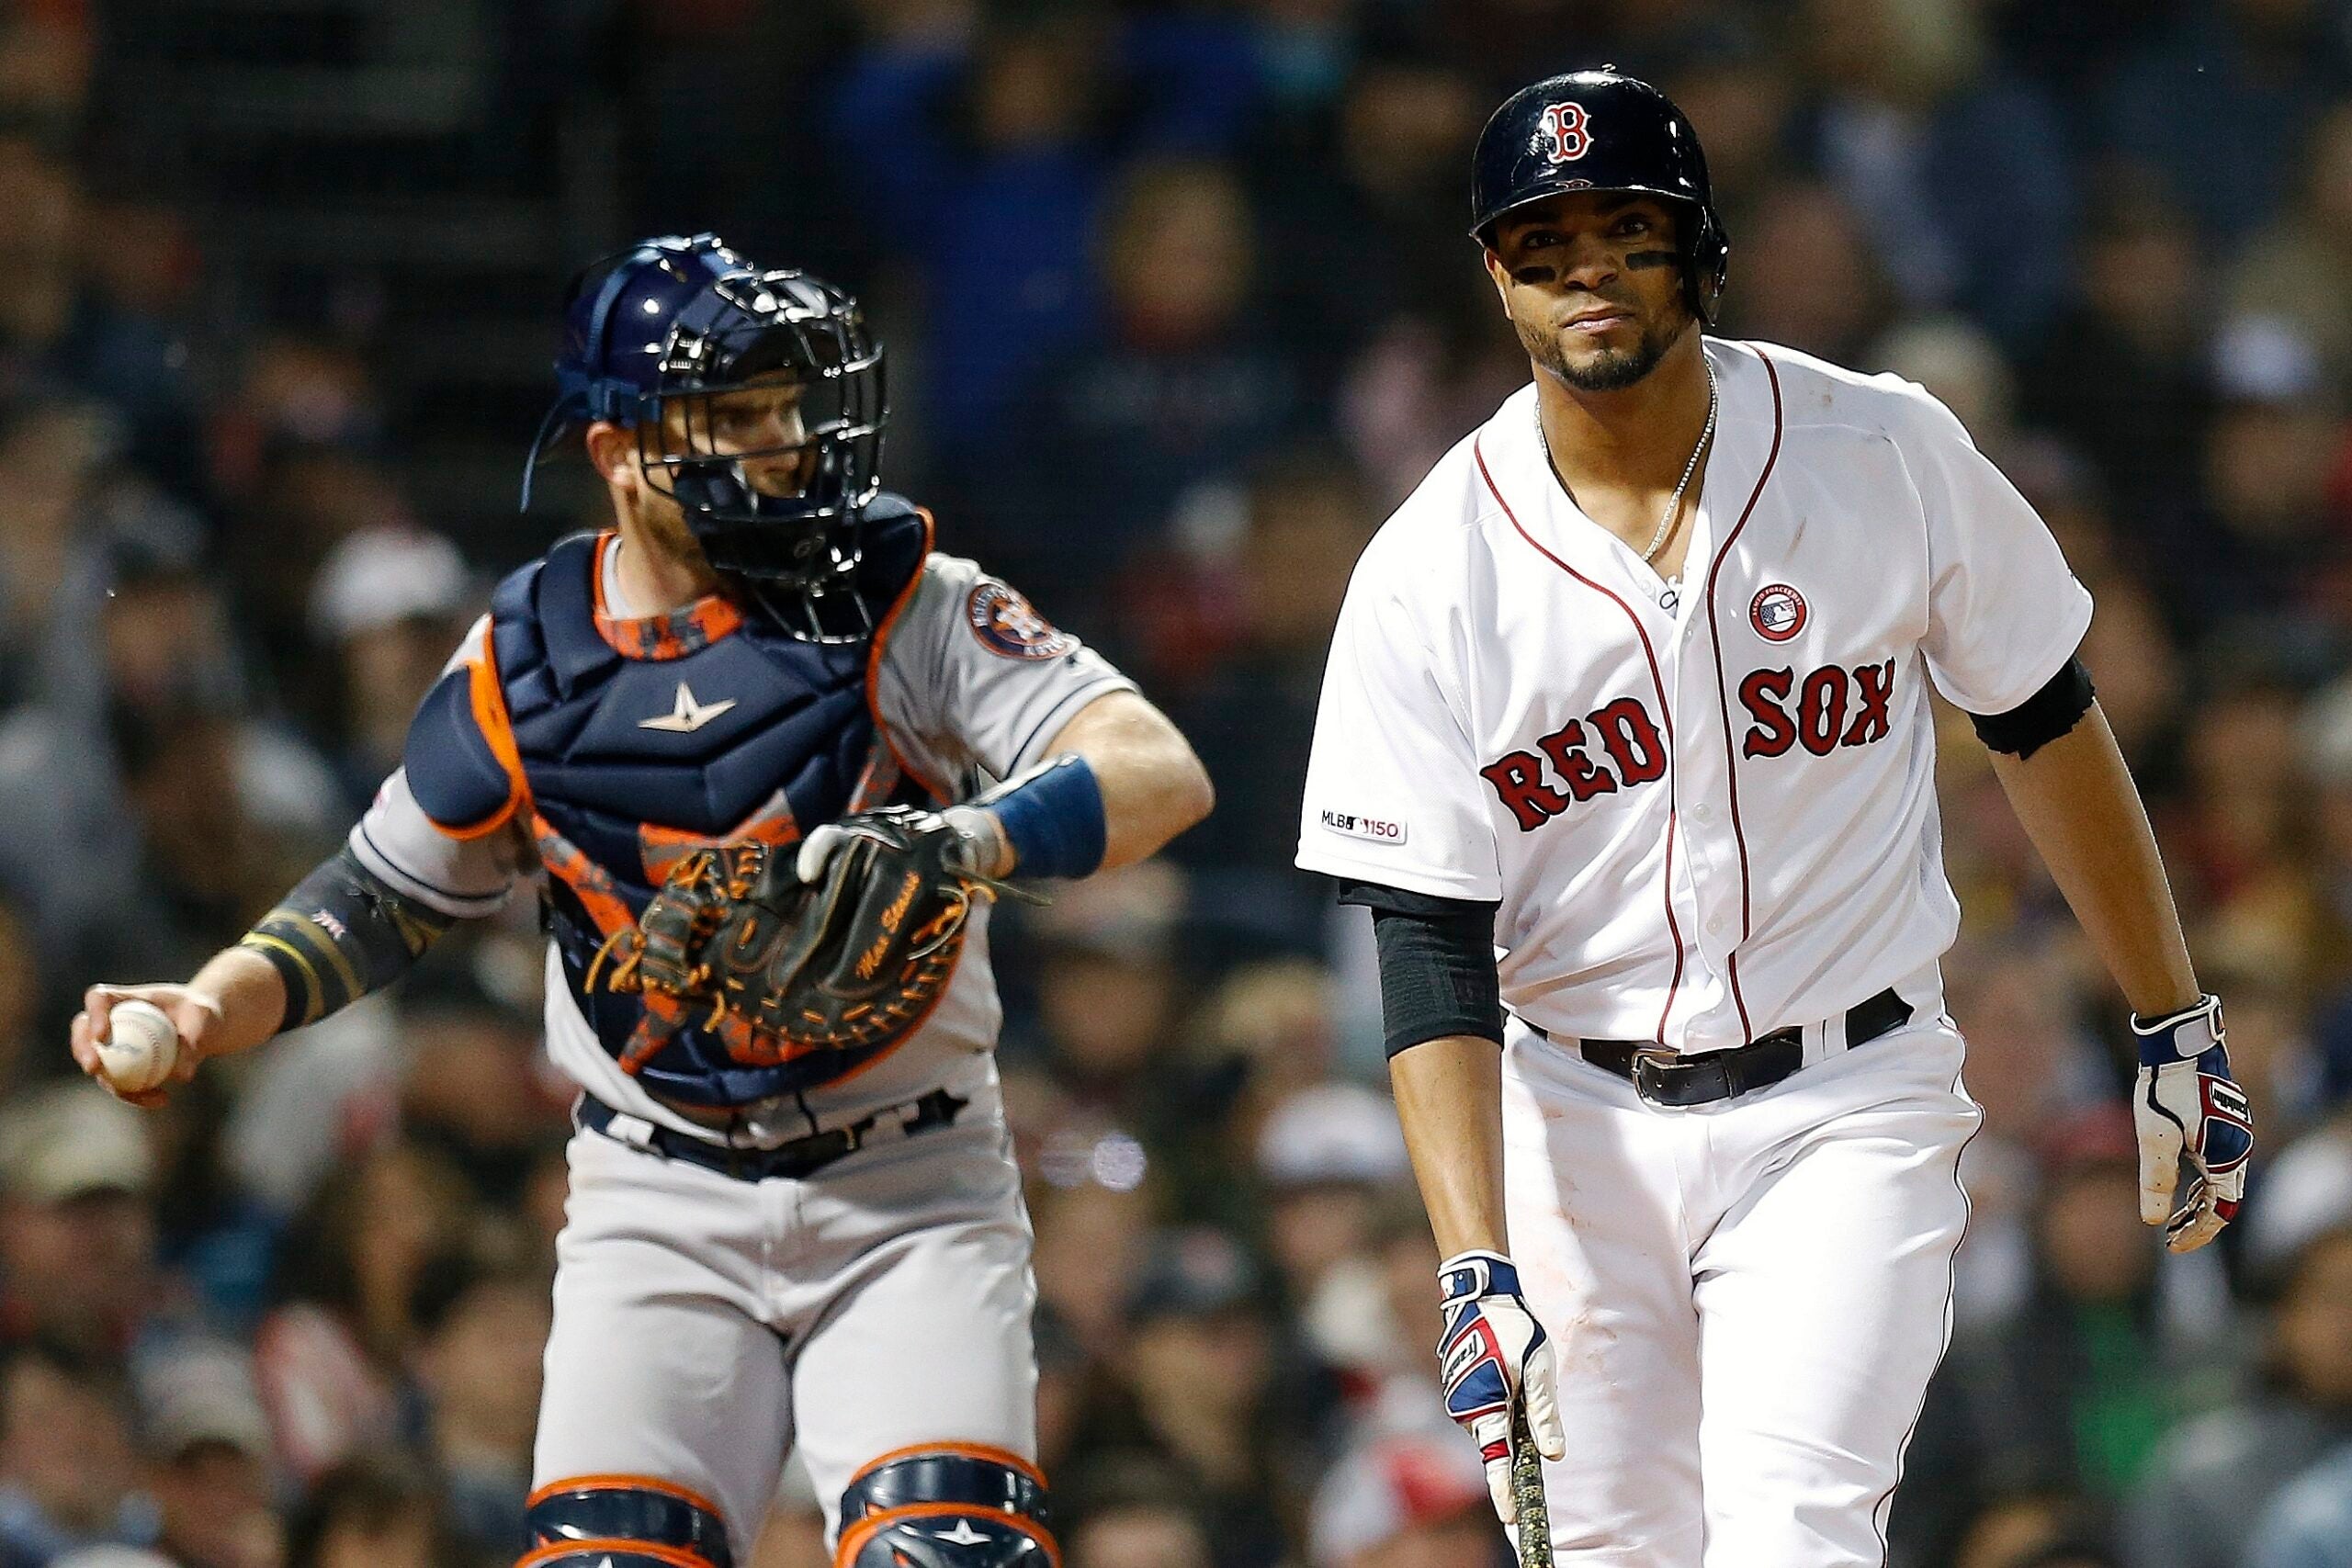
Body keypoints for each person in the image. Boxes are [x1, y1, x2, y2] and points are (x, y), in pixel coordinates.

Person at [70, 233, 1213, 1568]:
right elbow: (380, 895)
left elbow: (1156, 773)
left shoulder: (904, 595)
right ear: (619, 453)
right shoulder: (531, 653)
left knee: (945, 1558)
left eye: (790, 406)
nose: (785, 442)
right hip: (657, 1194)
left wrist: (958, 841)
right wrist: (208, 1007)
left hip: (911, 1180)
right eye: (734, 417)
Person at [1295, 69, 2255, 1565]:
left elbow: (2044, 717)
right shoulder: (1430, 568)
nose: (1587, 272)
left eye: (1626, 229)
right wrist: (1473, 1262)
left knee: (1792, 1535)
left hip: (1843, 1102)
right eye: (1545, 244)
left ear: (1700, 250)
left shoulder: (1883, 450)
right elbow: (1427, 937)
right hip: (1571, 1121)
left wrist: (2171, 1016)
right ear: (1498, 277)